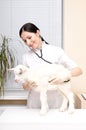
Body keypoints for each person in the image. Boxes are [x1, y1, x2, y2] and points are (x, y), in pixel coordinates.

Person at [19, 22, 82, 109]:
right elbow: (25, 87)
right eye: (25, 41)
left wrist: (64, 76)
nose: (28, 43)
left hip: (56, 103)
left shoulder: (56, 51)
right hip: (35, 104)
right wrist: (29, 83)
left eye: (29, 38)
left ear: (37, 33)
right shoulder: (25, 57)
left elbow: (79, 70)